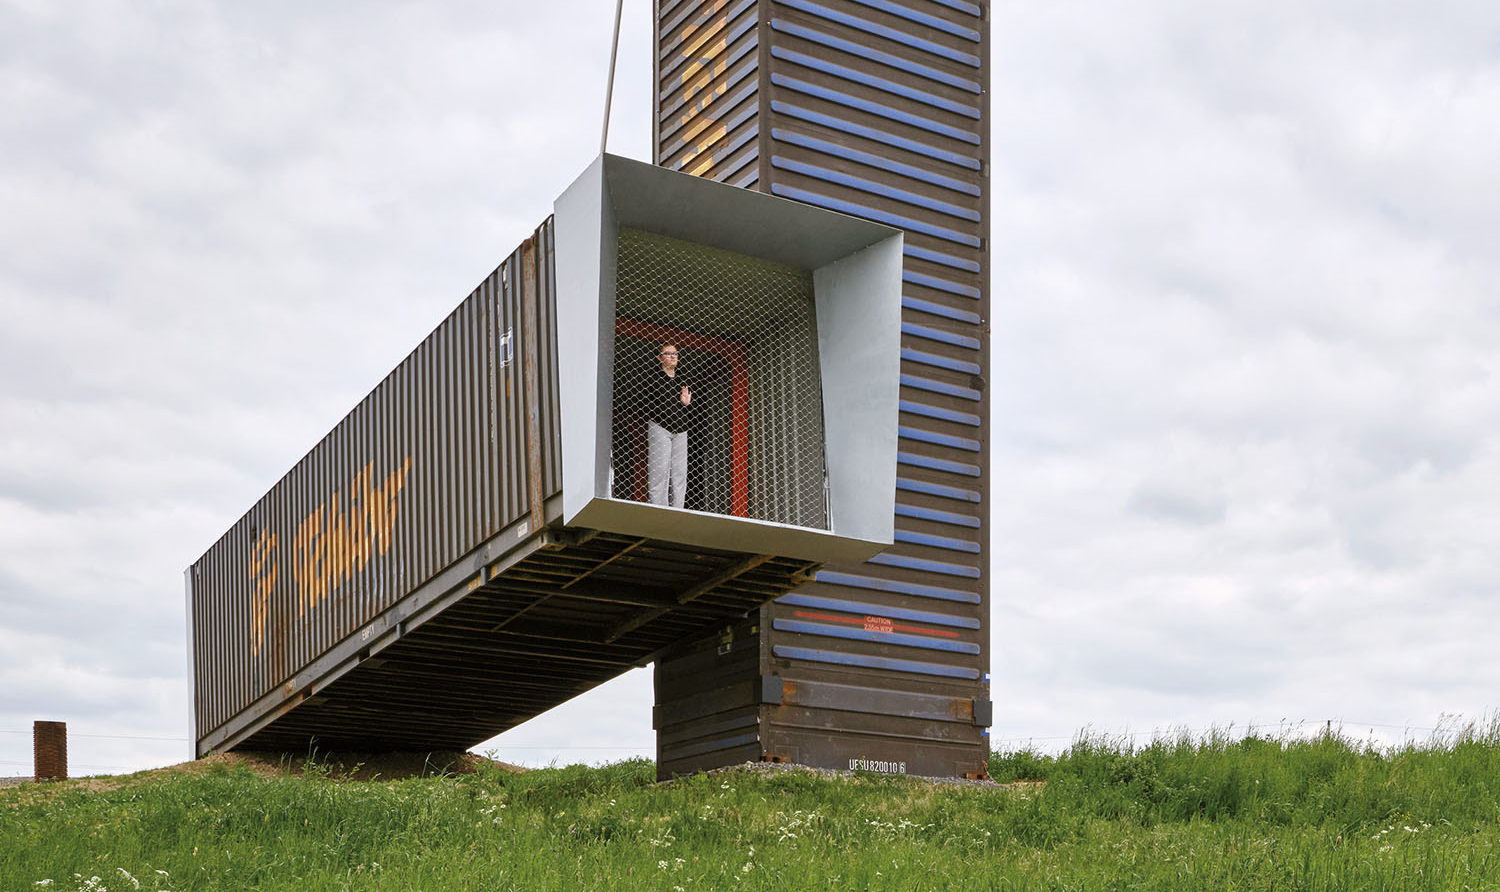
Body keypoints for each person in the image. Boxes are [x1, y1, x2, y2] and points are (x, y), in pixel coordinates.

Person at [646, 343, 692, 507]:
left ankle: (678, 510)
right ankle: (659, 510)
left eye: (675, 353)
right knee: (659, 470)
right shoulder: (653, 378)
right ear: (659, 358)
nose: (673, 356)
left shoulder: (683, 380)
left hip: (681, 430)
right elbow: (645, 403)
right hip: (660, 427)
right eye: (668, 353)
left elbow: (690, 409)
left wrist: (687, 404)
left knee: (680, 472)